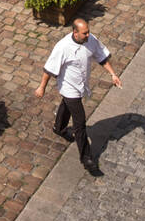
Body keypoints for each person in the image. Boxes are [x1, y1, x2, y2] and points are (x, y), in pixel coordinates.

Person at [35, 17, 121, 177]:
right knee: (80, 123)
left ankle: (59, 128)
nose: (88, 35)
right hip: (69, 88)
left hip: (81, 85)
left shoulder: (90, 39)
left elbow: (101, 56)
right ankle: (86, 159)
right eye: (84, 33)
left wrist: (113, 74)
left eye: (88, 31)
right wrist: (42, 87)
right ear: (75, 32)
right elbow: (49, 69)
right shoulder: (62, 47)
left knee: (66, 106)